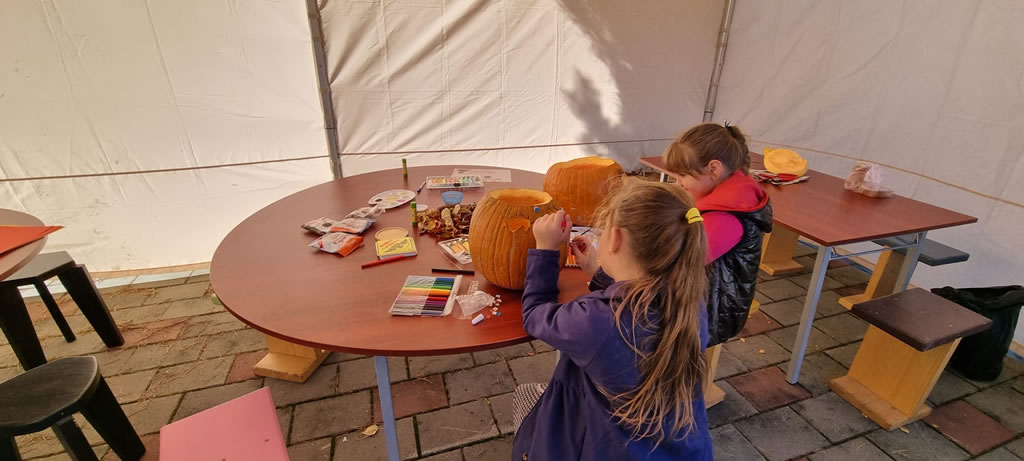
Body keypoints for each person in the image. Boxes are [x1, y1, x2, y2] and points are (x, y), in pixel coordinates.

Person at [512, 178, 713, 460]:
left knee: (526, 398)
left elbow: (535, 315)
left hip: (601, 449)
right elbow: (637, 303)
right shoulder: (688, 302)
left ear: (616, 238)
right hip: (675, 450)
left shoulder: (596, 321)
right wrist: (599, 274)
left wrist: (545, 250)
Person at [663, 122, 773, 345]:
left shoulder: (726, 218)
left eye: (682, 175)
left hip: (710, 316)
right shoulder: (727, 196)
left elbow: (677, 261)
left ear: (713, 169)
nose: (678, 183)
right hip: (702, 300)